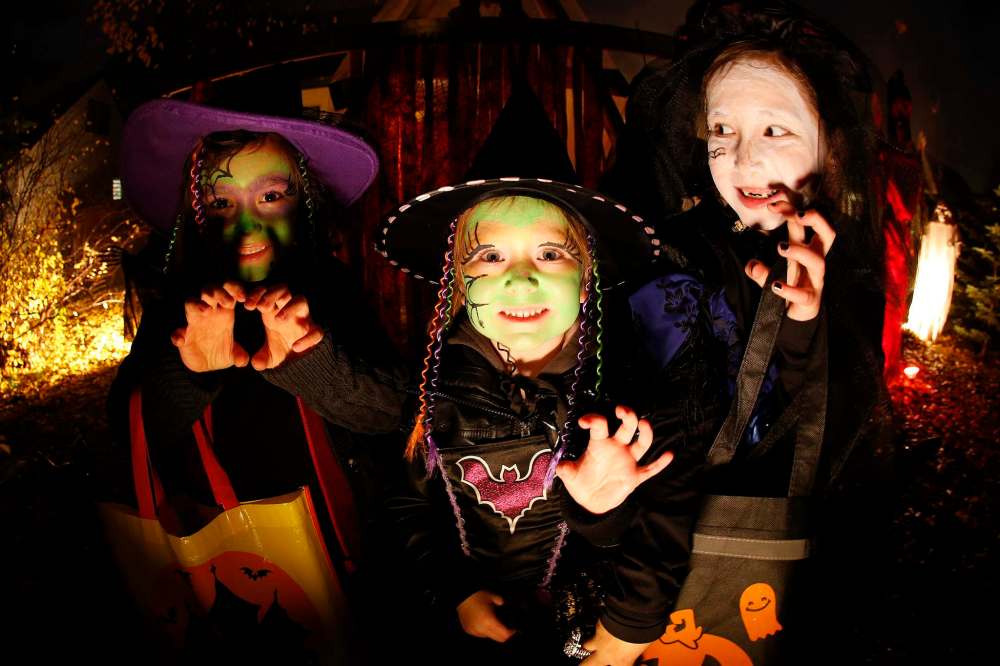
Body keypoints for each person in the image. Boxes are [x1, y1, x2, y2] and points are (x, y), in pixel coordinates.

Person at [261, 175, 707, 663]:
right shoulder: (431, 394)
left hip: (587, 632)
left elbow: (654, 530)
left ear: (586, 280)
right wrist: (457, 592)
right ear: (457, 279)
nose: (520, 279)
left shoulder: (625, 391)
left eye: (551, 254)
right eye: (490, 257)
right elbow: (407, 507)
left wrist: (600, 514)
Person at [567, 2, 895, 663]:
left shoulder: (830, 263)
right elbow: (670, 445)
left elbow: (821, 441)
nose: (743, 156)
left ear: (830, 148)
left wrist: (803, 325)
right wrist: (630, 623)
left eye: (775, 129)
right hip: (655, 598)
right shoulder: (677, 268)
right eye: (722, 128)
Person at [105, 98, 397, 662]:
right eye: (220, 201)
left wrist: (309, 364)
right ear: (197, 213)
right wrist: (191, 369)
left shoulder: (332, 290)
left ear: (304, 201)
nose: (246, 223)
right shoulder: (180, 305)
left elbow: (396, 414)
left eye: (270, 194)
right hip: (225, 571)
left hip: (348, 560)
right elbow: (128, 425)